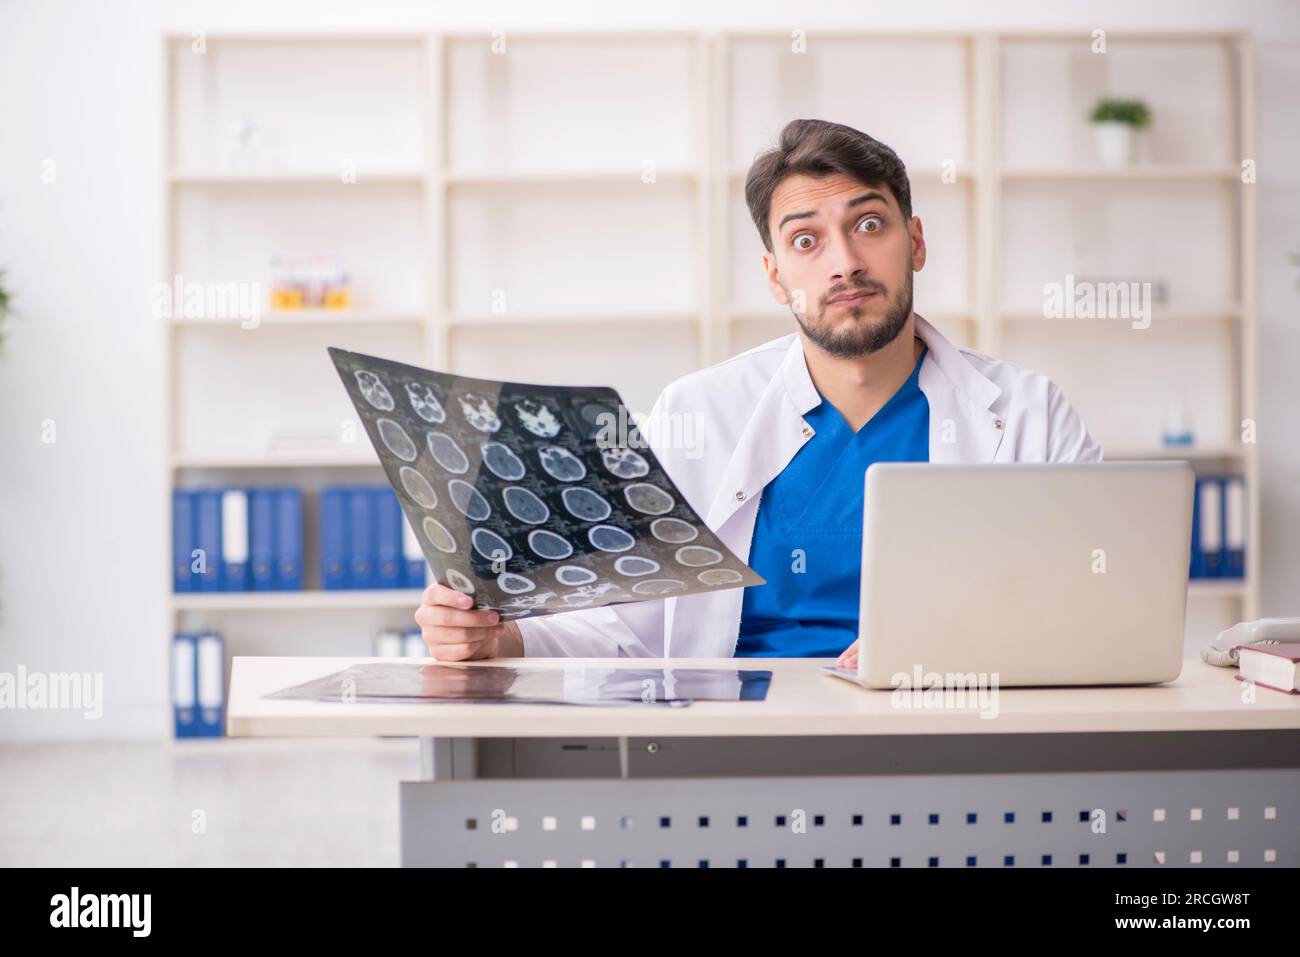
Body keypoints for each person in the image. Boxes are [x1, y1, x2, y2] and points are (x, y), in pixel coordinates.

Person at [414, 118, 1102, 665]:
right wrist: (500, 639)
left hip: (952, 734)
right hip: (741, 745)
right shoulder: (697, 413)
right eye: (807, 240)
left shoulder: (1029, 416)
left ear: (914, 241)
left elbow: (1092, 606)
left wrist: (968, 648)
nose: (845, 262)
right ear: (775, 277)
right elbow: (624, 629)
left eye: (868, 224)